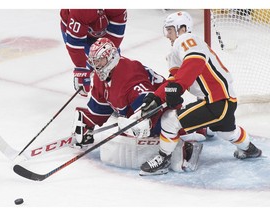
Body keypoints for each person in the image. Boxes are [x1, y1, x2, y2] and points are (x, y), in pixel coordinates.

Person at [139, 11, 262, 176]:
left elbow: (194, 61)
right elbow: (173, 80)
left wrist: (178, 87)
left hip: (216, 101)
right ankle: (250, 149)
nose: (167, 35)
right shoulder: (178, 51)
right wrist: (156, 96)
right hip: (225, 101)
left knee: (169, 121)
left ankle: (163, 160)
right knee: (227, 132)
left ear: (182, 28)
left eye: (170, 30)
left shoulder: (186, 40)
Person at [71, 37, 202, 171]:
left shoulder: (129, 74)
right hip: (133, 110)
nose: (96, 65)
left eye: (99, 61)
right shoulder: (102, 76)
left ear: (110, 58)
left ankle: (190, 136)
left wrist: (136, 122)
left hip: (164, 108)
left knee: (141, 129)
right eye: (95, 62)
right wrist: (86, 125)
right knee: (127, 129)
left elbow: (149, 105)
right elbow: (100, 107)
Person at [60, 9, 127, 97]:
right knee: (98, 65)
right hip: (75, 30)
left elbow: (116, 32)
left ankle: (113, 99)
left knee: (112, 65)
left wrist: (107, 55)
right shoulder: (80, 10)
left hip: (101, 31)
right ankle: (100, 101)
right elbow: (75, 43)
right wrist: (81, 70)